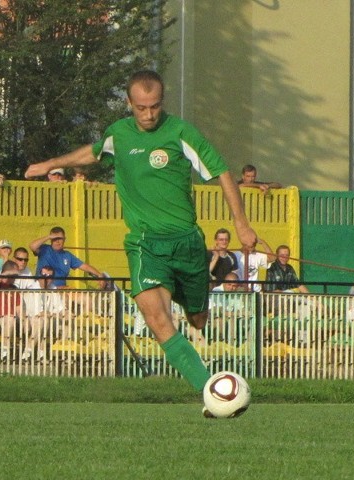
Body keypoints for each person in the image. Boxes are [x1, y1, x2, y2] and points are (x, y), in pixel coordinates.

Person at [25, 69, 257, 413]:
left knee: (198, 319)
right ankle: (209, 390)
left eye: (155, 107)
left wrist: (242, 224)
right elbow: (91, 152)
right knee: (156, 317)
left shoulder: (180, 132)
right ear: (129, 103)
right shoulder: (118, 133)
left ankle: (192, 304)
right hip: (145, 245)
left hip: (187, 244)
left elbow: (221, 171)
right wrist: (49, 163)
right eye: (142, 108)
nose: (149, 115)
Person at [29, 226, 103, 288]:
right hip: (45, 288)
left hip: (63, 290)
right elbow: (32, 246)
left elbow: (85, 267)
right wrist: (48, 237)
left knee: (87, 299)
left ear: (64, 239)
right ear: (51, 240)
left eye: (60, 238)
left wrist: (99, 275)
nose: (57, 241)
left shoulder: (67, 255)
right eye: (55, 239)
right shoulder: (44, 249)